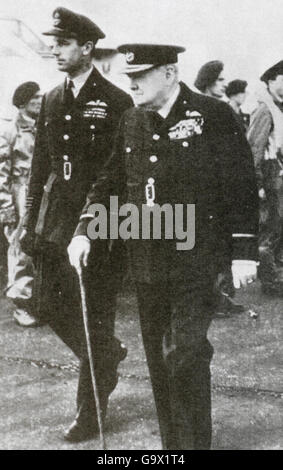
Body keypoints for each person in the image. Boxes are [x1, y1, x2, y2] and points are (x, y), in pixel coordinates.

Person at [68, 43, 258, 449]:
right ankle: (175, 447)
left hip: (198, 259)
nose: (132, 84)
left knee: (185, 353)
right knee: (158, 358)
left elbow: (241, 184)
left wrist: (243, 251)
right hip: (148, 261)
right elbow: (111, 180)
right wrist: (85, 228)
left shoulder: (212, 115)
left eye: (140, 77)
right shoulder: (132, 120)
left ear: (169, 74)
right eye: (129, 78)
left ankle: (192, 447)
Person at [20, 7, 132, 442]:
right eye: (53, 43)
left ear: (87, 48)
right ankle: (106, 356)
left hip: (99, 224)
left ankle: (90, 412)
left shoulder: (116, 101)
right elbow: (39, 167)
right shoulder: (50, 98)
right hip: (56, 222)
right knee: (46, 305)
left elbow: (116, 173)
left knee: (94, 316)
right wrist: (31, 223)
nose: (55, 50)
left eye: (63, 43)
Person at [195, 61, 245, 316]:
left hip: (221, 188)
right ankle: (215, 300)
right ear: (209, 82)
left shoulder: (220, 108)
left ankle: (221, 297)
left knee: (221, 246)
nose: (225, 84)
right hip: (208, 190)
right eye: (221, 80)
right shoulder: (200, 110)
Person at [0, 81, 42, 327]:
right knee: (20, 248)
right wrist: (5, 207)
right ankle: (22, 305)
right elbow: (2, 173)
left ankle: (38, 300)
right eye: (34, 98)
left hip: (40, 190)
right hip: (20, 191)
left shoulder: (44, 127)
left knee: (40, 246)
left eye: (41, 97)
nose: (39, 101)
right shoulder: (10, 131)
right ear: (23, 103)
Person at [247, 60, 283, 295]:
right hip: (269, 176)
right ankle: (270, 281)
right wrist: (258, 183)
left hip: (277, 174)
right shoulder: (265, 110)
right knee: (271, 226)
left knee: (278, 225)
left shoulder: (278, 109)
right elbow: (253, 149)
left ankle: (274, 275)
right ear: (271, 81)